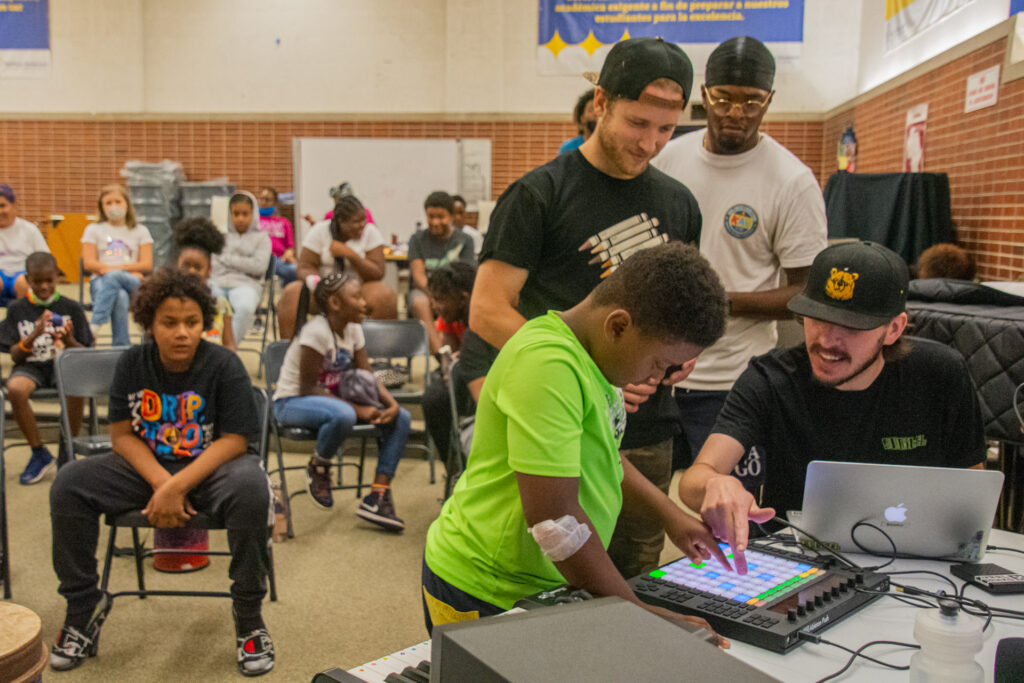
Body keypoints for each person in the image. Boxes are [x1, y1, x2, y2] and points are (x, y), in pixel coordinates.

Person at [467, 37, 701, 579]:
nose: (650, 143)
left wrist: (674, 362)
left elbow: (683, 311)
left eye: (666, 130)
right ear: (600, 103)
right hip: (560, 420)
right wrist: (588, 379)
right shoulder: (538, 195)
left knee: (637, 576)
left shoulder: (679, 203)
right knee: (550, 574)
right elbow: (487, 310)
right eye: (637, 123)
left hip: (645, 428)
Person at [423, 243, 730, 639]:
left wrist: (671, 516)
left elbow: (604, 456)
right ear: (618, 326)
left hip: (544, 580)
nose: (660, 377)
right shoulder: (548, 364)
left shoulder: (594, 359)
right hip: (484, 586)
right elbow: (555, 521)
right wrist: (636, 611)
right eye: (659, 362)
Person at [677, 241, 987, 573]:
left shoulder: (940, 375)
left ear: (893, 329)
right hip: (798, 567)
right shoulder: (769, 379)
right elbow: (693, 480)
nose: (826, 340)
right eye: (817, 318)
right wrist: (715, 485)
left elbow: (972, 494)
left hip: (921, 567)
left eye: (851, 326)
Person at [48, 268, 274, 675]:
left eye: (191, 323)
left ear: (204, 323)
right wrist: (162, 484)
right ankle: (84, 608)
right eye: (169, 323)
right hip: (148, 469)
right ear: (150, 324)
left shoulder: (224, 364)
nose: (182, 333)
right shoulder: (134, 362)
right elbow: (121, 436)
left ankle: (249, 616)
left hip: (211, 469)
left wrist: (179, 485)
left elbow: (235, 441)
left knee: (252, 487)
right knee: (69, 483)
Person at [653, 36, 828, 477]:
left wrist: (713, 300)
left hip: (734, 384)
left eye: (751, 101)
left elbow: (807, 292)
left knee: (731, 528)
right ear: (704, 95)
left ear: (769, 101)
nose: (736, 112)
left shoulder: (791, 181)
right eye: (724, 98)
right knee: (638, 520)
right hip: (652, 376)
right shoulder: (667, 161)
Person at [272, 273, 411, 530]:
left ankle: (377, 497)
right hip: (292, 402)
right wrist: (360, 410)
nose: (364, 303)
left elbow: (367, 373)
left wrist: (391, 404)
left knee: (401, 417)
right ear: (335, 303)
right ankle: (319, 466)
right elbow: (307, 387)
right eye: (356, 297)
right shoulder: (316, 332)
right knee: (344, 414)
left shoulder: (354, 329)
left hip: (332, 402)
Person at [0, 252, 92, 484]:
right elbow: (15, 354)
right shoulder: (17, 308)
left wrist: (69, 339)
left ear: (57, 278)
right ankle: (38, 452)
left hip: (63, 363)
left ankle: (67, 450)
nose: (43, 286)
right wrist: (35, 333)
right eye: (37, 281)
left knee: (76, 386)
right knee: (16, 389)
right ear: (28, 280)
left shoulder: (71, 307)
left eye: (49, 280)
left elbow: (84, 353)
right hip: (31, 366)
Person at [278, 194, 398, 338]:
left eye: (364, 220)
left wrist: (350, 254)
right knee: (291, 293)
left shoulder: (370, 232)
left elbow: (378, 272)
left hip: (359, 289)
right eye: (356, 222)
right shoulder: (319, 231)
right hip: (324, 290)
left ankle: (381, 354)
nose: (362, 225)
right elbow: (304, 267)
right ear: (341, 222)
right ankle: (289, 350)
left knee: (384, 296)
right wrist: (318, 284)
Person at [81, 184, 153, 346]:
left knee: (114, 277)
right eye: (108, 203)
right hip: (100, 282)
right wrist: (126, 270)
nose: (114, 206)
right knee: (119, 296)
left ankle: (95, 325)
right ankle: (122, 346)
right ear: (102, 207)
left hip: (132, 282)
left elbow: (147, 264)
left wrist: (113, 271)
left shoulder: (141, 230)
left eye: (118, 202)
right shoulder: (93, 230)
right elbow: (89, 262)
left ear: (127, 204)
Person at [421, 261, 476, 470]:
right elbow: (450, 353)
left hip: (486, 373)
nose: (435, 306)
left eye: (440, 300)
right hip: (463, 370)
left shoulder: (482, 314)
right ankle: (453, 465)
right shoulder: (450, 316)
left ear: (463, 299)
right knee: (434, 399)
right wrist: (447, 366)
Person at [408, 191, 475, 354]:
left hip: (453, 292)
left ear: (451, 216)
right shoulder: (417, 240)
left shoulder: (465, 240)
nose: (435, 222)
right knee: (421, 302)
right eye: (431, 216)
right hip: (424, 291)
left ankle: (465, 353)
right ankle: (441, 357)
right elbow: (418, 276)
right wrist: (436, 296)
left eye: (441, 216)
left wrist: (445, 297)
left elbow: (466, 277)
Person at [209, 191, 272, 344]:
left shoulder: (263, 238)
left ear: (253, 214)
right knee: (209, 306)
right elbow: (214, 264)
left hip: (248, 285)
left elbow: (258, 267)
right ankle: (212, 348)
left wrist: (228, 260)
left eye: (245, 214)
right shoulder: (219, 236)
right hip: (217, 283)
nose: (240, 219)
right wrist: (244, 263)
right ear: (229, 214)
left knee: (244, 307)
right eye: (236, 214)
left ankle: (228, 350)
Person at [175, 217, 236, 350]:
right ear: (177, 265)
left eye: (198, 267)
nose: (191, 272)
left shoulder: (221, 305)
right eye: (186, 266)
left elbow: (229, 345)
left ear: (209, 270)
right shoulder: (166, 302)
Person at [0, 184, 51, 305]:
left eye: (2, 206)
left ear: (14, 205)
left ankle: (23, 319)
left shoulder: (29, 230)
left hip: (22, 274)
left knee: (22, 282)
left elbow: (46, 259)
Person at [256, 186, 297, 285]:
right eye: (261, 199)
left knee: (295, 270)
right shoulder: (253, 221)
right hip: (258, 259)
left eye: (267, 199)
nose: (263, 202)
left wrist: (289, 254)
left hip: (279, 260)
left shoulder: (284, 222)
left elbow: (290, 248)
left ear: (274, 202)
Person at [558, 88, 597, 155]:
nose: (596, 113)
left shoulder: (609, 148)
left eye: (598, 109)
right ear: (582, 117)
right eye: (591, 110)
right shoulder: (568, 148)